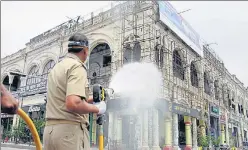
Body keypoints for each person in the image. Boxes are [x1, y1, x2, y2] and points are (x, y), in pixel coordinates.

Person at [43, 33, 106, 150]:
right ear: (85, 50)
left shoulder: (57, 68)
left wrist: (91, 99)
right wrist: (98, 109)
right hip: (70, 134)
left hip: (50, 133)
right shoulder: (77, 67)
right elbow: (73, 103)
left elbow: (65, 99)